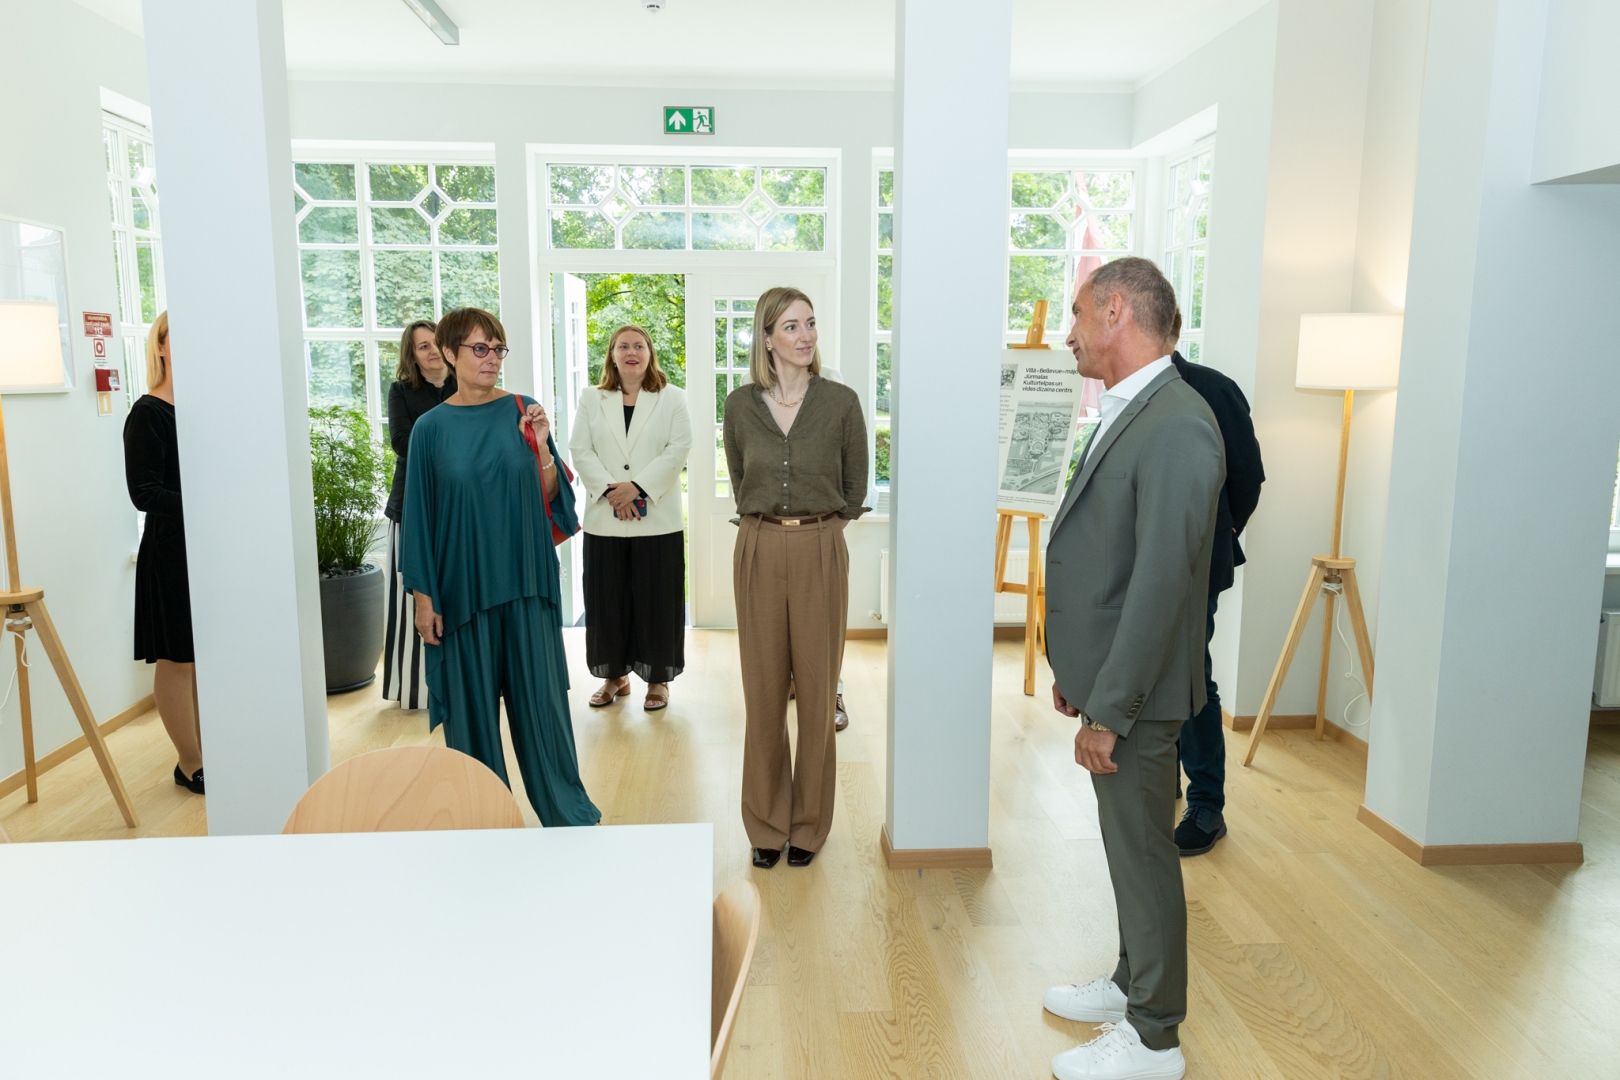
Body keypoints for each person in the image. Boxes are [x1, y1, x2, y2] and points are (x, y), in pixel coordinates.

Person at [1040, 258, 1223, 1080]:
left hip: (1139, 701)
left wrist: (1110, 709)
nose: (1069, 333)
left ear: (1116, 311)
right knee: (1128, 852)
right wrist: (1081, 674)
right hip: (1117, 685)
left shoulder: (1177, 423)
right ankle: (1129, 985)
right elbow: (1109, 558)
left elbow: (1159, 586)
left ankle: (1155, 1038)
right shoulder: (1136, 407)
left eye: (1079, 314)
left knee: (1145, 860)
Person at [401, 307, 600, 827]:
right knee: (472, 723)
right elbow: (419, 517)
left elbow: (552, 496)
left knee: (543, 713)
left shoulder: (522, 409)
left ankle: (570, 821)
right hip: (462, 591)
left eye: (497, 348)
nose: (491, 358)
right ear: (449, 354)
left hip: (527, 584)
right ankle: (487, 826)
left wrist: (543, 446)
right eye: (479, 348)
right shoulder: (429, 429)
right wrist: (423, 598)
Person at [724, 286, 867, 869]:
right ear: (766, 338)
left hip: (819, 545)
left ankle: (808, 825)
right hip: (758, 545)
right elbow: (741, 476)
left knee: (816, 692)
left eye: (809, 323)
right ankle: (765, 822)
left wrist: (818, 533)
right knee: (762, 694)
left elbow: (855, 487)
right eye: (791, 326)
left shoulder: (841, 402)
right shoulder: (739, 405)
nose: (805, 335)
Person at [1166, 315, 1265, 857]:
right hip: (1137, 562)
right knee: (1152, 671)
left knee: (1190, 677)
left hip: (1198, 562)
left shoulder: (1214, 389)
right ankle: (1165, 777)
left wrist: (1216, 537)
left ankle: (1207, 803)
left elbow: (1247, 478)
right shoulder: (1121, 394)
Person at [570, 325, 692, 712]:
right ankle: (615, 677)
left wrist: (636, 487)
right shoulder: (591, 398)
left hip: (657, 521)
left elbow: (679, 448)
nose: (631, 352)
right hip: (605, 519)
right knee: (608, 601)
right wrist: (613, 492)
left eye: (639, 345)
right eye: (623, 346)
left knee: (658, 601)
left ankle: (658, 680)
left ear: (650, 353)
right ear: (612, 354)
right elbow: (580, 448)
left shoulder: (673, 397)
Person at [123, 311, 204, 794]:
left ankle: (209, 752)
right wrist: (203, 503)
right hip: (170, 551)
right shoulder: (147, 412)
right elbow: (144, 492)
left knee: (203, 655)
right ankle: (189, 763)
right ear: (160, 346)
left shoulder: (199, 411)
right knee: (177, 659)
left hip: (206, 549)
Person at [382, 318, 456, 710]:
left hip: (458, 508)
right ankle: (415, 690)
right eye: (422, 346)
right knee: (412, 599)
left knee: (456, 595)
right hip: (411, 506)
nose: (431, 351)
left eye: (435, 343)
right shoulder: (401, 391)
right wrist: (456, 449)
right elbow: (401, 442)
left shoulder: (466, 385)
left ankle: (463, 685)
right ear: (411, 355)